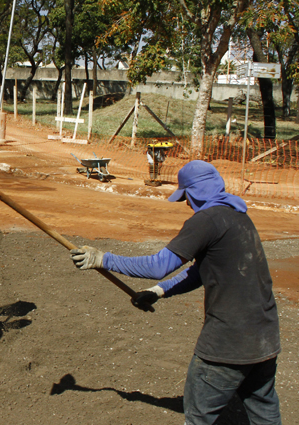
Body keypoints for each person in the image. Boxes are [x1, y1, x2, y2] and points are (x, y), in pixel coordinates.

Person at [70, 160, 281, 425]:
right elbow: (199, 272)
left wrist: (104, 259)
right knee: (264, 409)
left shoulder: (206, 220)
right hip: (265, 336)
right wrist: (159, 291)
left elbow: (159, 266)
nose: (185, 203)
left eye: (185, 196)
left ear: (194, 193)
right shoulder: (238, 216)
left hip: (228, 342)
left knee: (199, 415)